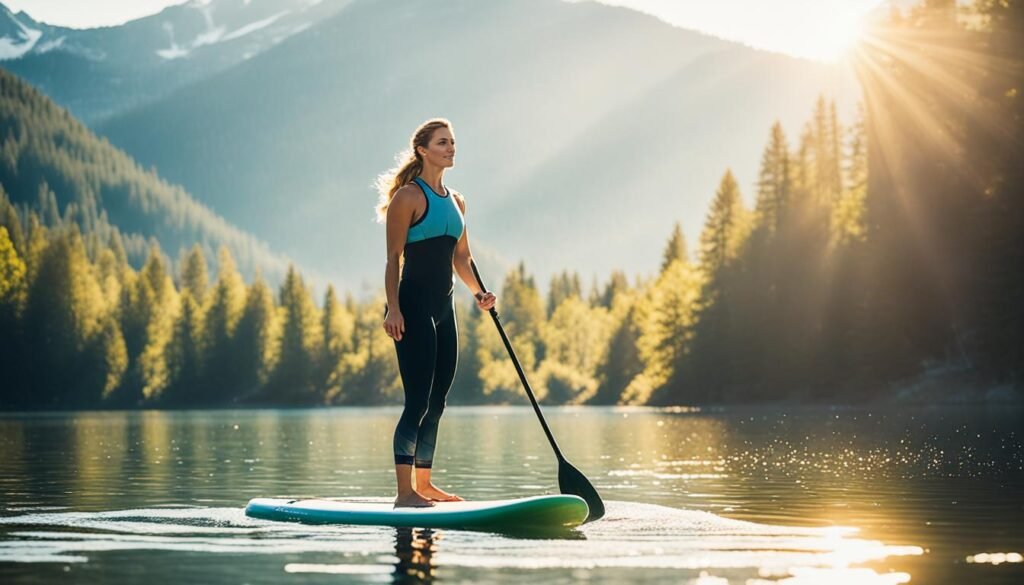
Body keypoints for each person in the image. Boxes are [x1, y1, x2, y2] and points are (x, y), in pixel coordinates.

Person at [375, 118, 497, 508]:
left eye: (453, 142)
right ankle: (404, 493)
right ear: (423, 150)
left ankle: (424, 485)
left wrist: (480, 292)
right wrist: (393, 309)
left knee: (438, 401)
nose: (451, 148)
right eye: (443, 142)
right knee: (417, 401)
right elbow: (393, 259)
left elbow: (462, 258)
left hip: (444, 309)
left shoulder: (457, 201)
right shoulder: (408, 198)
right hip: (411, 307)